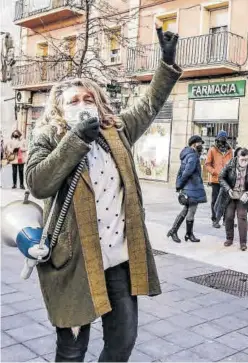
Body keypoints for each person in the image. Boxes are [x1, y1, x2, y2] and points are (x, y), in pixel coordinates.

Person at [25, 25, 181, 362]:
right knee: (72, 349)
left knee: (123, 341)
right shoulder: (49, 137)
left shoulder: (117, 130)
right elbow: (37, 182)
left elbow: (150, 103)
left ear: (99, 102)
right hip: (73, 262)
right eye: (74, 101)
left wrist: (166, 63)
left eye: (88, 98)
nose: (82, 104)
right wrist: (75, 138)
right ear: (59, 109)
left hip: (119, 262)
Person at [217, 148, 248, 251]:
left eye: (246, 159)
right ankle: (229, 239)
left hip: (243, 197)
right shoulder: (230, 164)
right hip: (231, 196)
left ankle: (243, 243)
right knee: (228, 217)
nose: (245, 162)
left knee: (242, 218)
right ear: (237, 157)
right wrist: (228, 189)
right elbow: (221, 177)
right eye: (242, 159)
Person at [167, 135, 207, 243]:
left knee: (186, 209)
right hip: (192, 188)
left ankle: (174, 230)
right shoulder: (193, 156)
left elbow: (181, 171)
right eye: (200, 143)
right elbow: (186, 172)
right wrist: (179, 185)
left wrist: (179, 185)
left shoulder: (188, 154)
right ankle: (188, 234)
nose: (201, 146)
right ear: (194, 144)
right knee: (192, 210)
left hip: (190, 187)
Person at [205, 130, 233, 228]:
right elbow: (207, 165)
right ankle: (215, 220)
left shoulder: (230, 150)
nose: (222, 142)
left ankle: (226, 220)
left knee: (227, 201)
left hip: (226, 180)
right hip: (216, 179)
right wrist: (215, 172)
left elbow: (232, 164)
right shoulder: (212, 149)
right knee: (215, 200)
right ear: (217, 139)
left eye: (224, 140)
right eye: (220, 139)